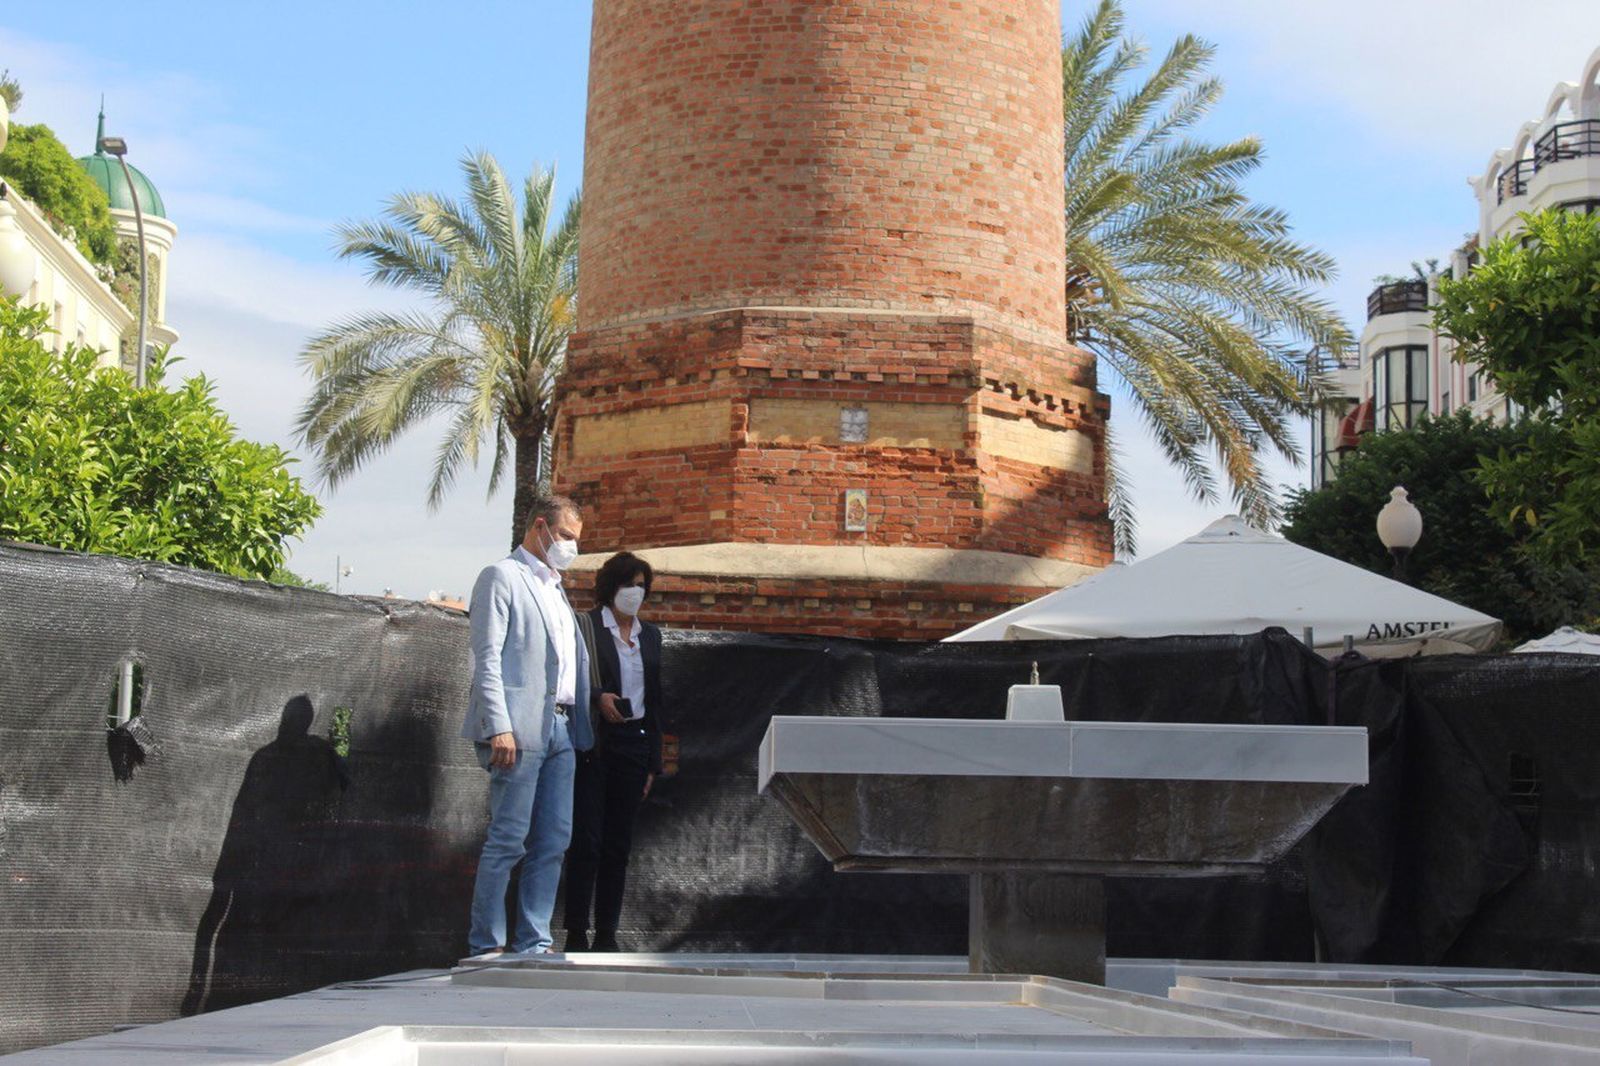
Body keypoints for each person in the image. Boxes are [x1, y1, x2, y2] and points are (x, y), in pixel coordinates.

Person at [460, 494, 594, 959]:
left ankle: (534, 942)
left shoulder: (556, 588)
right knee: (507, 840)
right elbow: (487, 660)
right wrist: (498, 725)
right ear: (540, 527)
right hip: (518, 729)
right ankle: (486, 945)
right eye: (566, 537)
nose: (571, 548)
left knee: (554, 840)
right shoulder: (502, 576)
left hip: (561, 728)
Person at [563, 551, 666, 952]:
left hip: (635, 744)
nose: (635, 594)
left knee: (618, 844)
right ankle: (575, 929)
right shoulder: (586, 627)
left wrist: (653, 760)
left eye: (641, 586)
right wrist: (596, 696)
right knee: (586, 839)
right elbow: (566, 679)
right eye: (628, 585)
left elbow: (656, 701)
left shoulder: (651, 636)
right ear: (611, 588)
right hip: (597, 743)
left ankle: (607, 931)